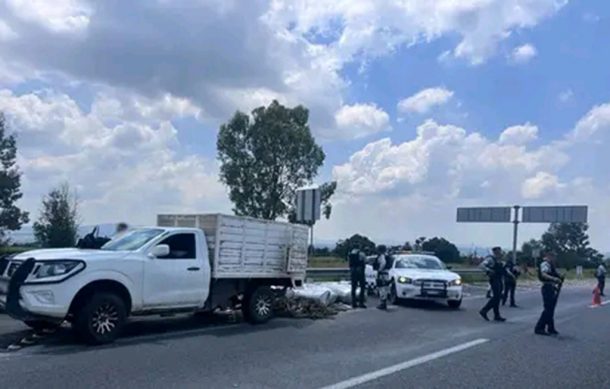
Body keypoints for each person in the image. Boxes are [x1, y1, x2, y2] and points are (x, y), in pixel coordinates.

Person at [535, 251, 563, 336]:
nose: (554, 258)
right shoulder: (545, 264)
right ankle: (539, 328)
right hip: (547, 287)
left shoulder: (551, 265)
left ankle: (551, 328)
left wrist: (560, 276)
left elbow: (556, 274)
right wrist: (554, 279)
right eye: (553, 256)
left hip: (552, 287)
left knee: (551, 309)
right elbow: (544, 274)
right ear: (548, 256)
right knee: (548, 309)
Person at [479, 247, 506, 322]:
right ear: (495, 252)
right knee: (496, 297)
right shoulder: (491, 259)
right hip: (494, 279)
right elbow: (481, 265)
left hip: (499, 279)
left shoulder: (499, 260)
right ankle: (484, 310)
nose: (500, 253)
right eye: (499, 251)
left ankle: (496, 315)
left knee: (497, 297)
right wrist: (489, 270)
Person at [374, 245, 392, 310]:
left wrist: (379, 270)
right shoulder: (387, 256)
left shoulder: (382, 256)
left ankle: (383, 303)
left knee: (382, 288)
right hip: (386, 273)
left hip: (382, 274)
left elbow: (383, 263)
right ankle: (383, 303)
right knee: (384, 288)